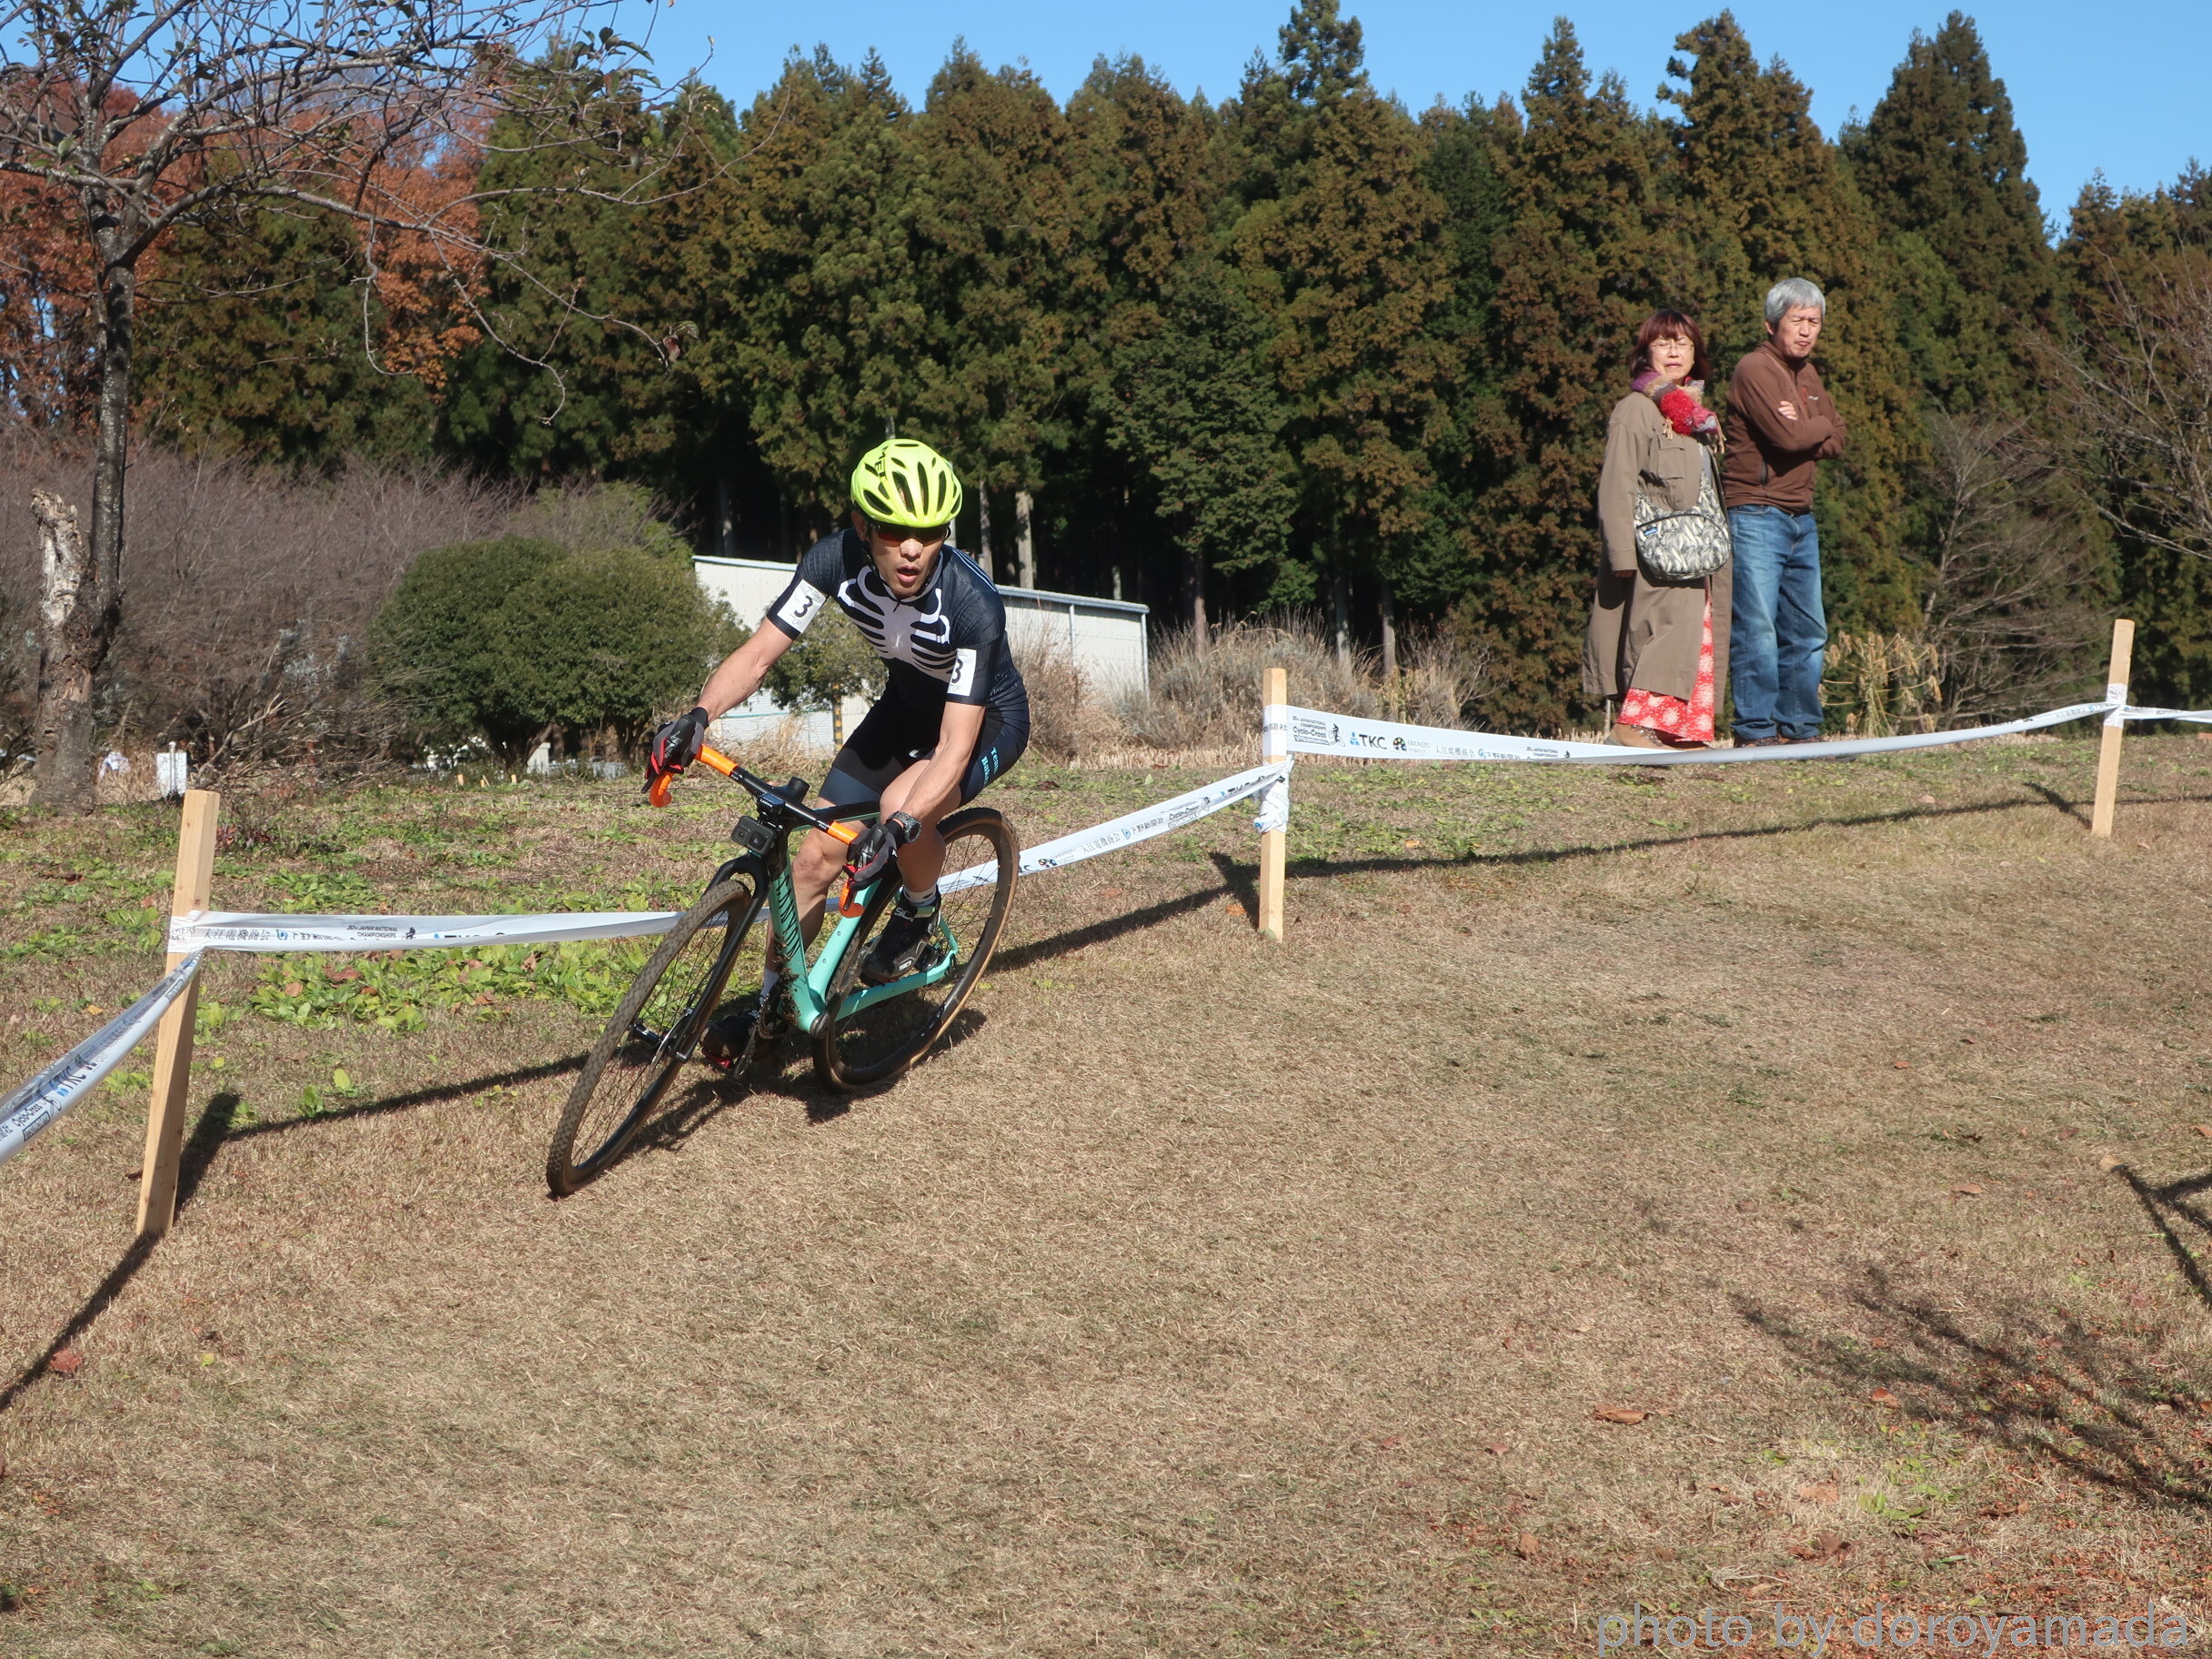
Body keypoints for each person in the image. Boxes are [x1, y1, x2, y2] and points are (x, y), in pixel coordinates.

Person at [647, 437, 1030, 1055]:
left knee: (899, 807)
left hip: (986, 723)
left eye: (931, 533)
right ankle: (771, 1011)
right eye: (894, 531)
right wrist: (698, 716)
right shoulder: (833, 560)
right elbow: (759, 654)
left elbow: (955, 747)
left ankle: (919, 910)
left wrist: (898, 827)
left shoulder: (971, 603)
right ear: (862, 525)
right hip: (904, 711)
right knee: (812, 861)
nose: (912, 549)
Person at [1584, 309, 1732, 749]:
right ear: (1645, 353)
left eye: (1682, 343)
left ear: (1696, 354)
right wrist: (1621, 555)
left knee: (1693, 637)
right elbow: (1617, 485)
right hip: (1654, 556)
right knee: (1659, 636)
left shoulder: (1695, 416)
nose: (1673, 351)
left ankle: (1679, 729)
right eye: (1662, 342)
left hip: (1697, 554)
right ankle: (1633, 726)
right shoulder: (1635, 409)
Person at [1721, 277, 1846, 747]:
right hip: (1755, 512)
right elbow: (1789, 439)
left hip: (1801, 516)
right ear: (1772, 324)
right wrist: (1818, 425)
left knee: (1808, 630)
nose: (1807, 330)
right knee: (1758, 628)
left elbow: (1839, 438)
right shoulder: (1754, 369)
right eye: (1798, 320)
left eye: (1815, 321)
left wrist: (1810, 425)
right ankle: (1755, 732)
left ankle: (1799, 728)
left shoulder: (1808, 375)